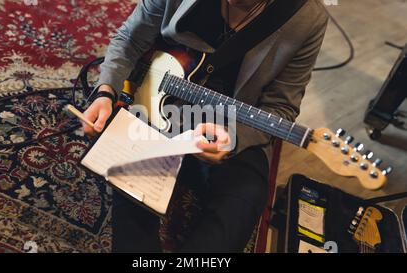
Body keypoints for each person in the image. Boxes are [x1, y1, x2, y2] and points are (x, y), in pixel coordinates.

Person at [82, 0, 328, 252]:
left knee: (246, 198)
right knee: (129, 177)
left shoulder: (307, 18)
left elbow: (281, 108)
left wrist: (233, 139)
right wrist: (106, 92)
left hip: (235, 120)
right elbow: (130, 40)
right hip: (159, 106)